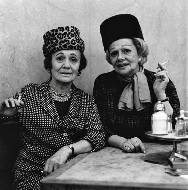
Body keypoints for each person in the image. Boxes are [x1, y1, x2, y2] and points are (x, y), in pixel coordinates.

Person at [0, 26, 106, 190]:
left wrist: (67, 150)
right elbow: (7, 129)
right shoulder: (29, 94)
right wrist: (7, 115)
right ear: (49, 63)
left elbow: (97, 136)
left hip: (71, 174)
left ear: (79, 67)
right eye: (59, 58)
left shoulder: (86, 100)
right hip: (32, 175)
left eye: (73, 59)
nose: (66, 65)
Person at [93, 14, 180, 153]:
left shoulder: (160, 81)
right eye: (114, 53)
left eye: (126, 51)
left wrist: (160, 94)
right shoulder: (103, 83)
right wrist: (125, 143)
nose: (120, 57)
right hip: (117, 152)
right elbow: (102, 128)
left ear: (140, 54)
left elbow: (176, 128)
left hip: (159, 153)